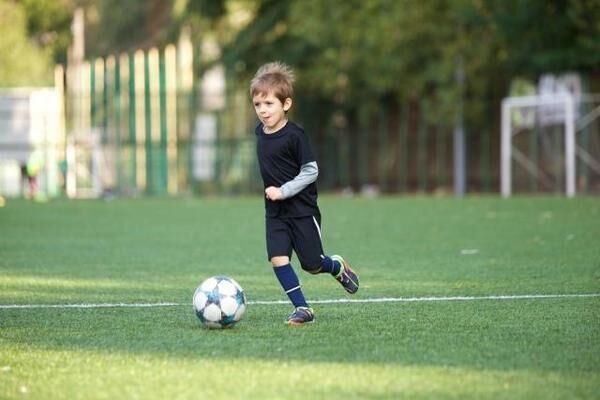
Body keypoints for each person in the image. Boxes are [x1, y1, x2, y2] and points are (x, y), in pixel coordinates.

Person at [250, 62, 359, 326]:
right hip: (275, 213)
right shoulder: (259, 132)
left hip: (302, 211)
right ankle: (302, 309)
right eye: (258, 105)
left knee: (312, 265)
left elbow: (311, 171)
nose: (263, 111)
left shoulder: (295, 135)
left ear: (285, 105)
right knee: (278, 259)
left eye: (269, 104)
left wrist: (284, 191)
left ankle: (336, 266)